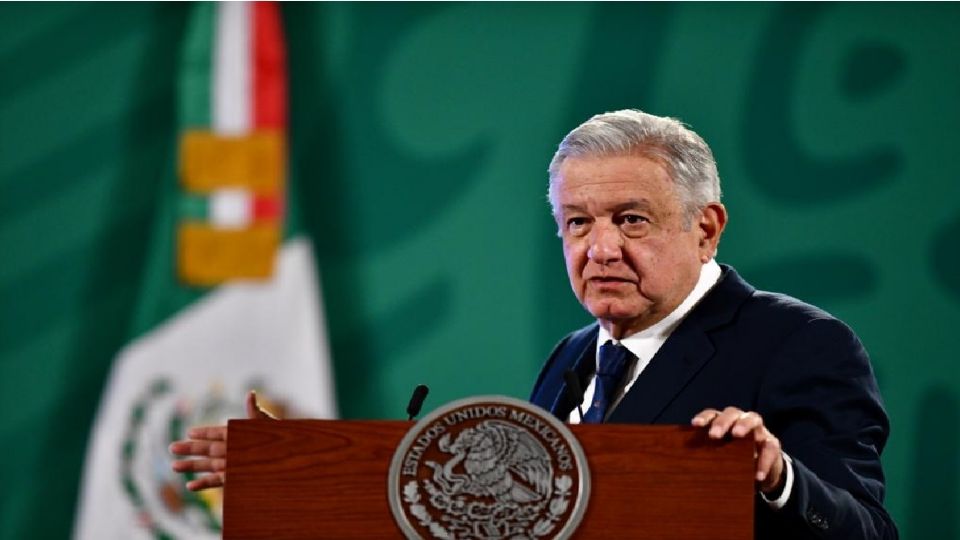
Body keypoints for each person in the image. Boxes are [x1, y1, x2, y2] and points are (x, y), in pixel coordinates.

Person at [171, 109, 897, 539]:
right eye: (577, 223)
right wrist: (294, 476)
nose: (599, 247)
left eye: (631, 220)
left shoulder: (801, 344)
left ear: (706, 229)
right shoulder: (573, 357)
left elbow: (867, 531)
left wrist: (777, 478)